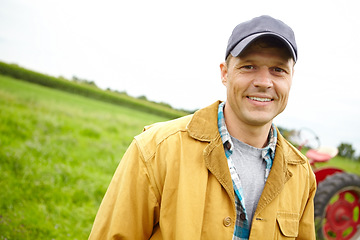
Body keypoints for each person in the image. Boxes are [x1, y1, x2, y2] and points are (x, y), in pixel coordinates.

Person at [89, 15, 316, 240]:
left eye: (278, 70)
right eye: (249, 66)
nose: (264, 82)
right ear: (225, 73)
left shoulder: (302, 174)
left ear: (291, 78)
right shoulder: (156, 149)